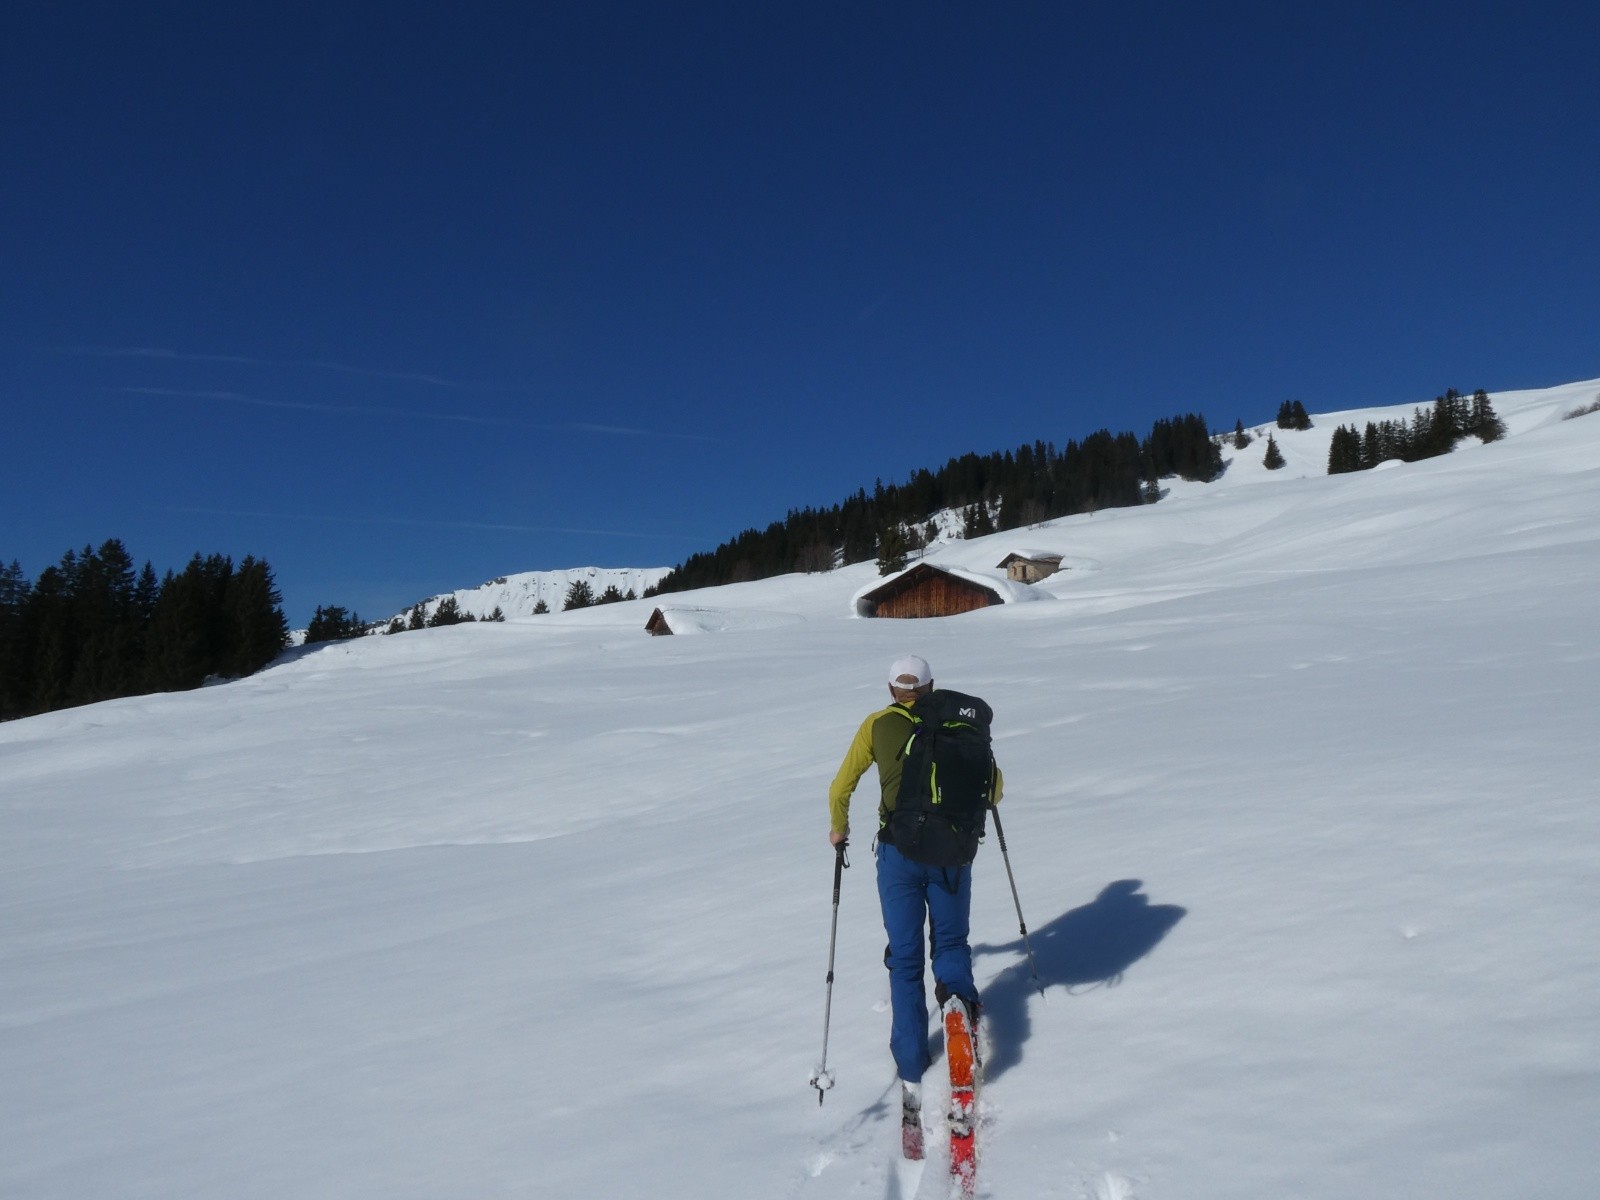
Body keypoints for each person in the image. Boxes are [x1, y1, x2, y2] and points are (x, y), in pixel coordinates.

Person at [827, 654, 1000, 1092]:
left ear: (891, 691)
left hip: (897, 854)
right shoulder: (957, 724)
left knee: (905, 959)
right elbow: (994, 788)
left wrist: (839, 828)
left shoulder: (877, 725)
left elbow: (840, 786)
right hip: (951, 853)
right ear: (931, 687)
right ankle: (958, 1005)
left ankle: (910, 1061)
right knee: (951, 942)